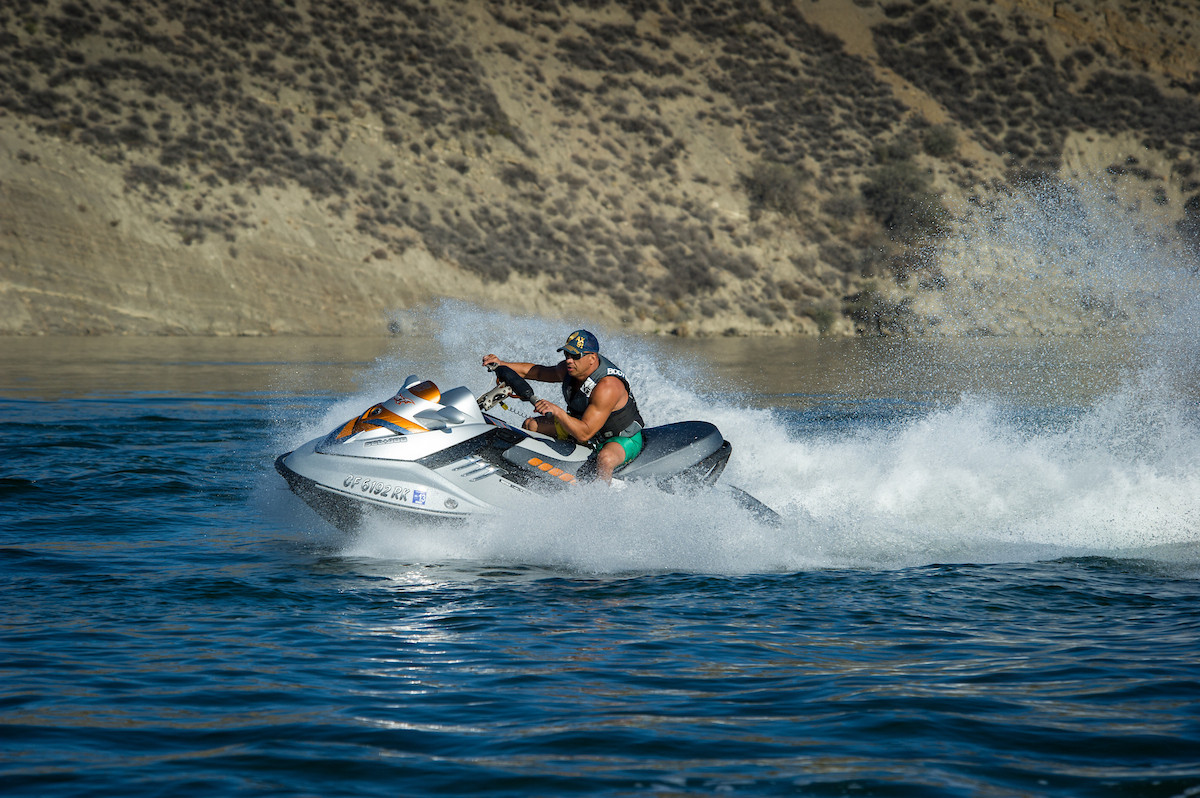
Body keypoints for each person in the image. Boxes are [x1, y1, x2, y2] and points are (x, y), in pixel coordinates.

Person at [482, 330, 644, 483]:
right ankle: (530, 475)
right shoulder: (568, 369)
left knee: (605, 459)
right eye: (567, 354)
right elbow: (537, 372)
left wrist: (558, 412)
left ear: (592, 358)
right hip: (584, 427)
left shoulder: (608, 387)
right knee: (531, 425)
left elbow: (584, 433)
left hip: (620, 438)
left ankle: (599, 499)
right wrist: (501, 365)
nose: (569, 360)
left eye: (575, 356)